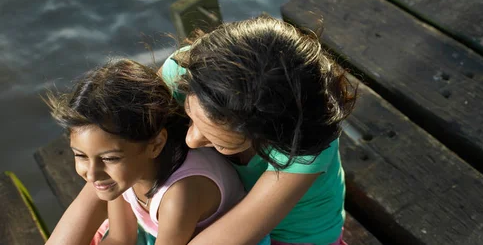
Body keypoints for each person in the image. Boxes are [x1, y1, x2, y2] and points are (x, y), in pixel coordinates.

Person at [162, 16, 356, 245]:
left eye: (221, 143)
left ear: (268, 136)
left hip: (297, 236)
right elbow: (122, 142)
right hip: (223, 205)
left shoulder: (302, 143)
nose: (190, 140)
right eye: (189, 116)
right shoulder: (188, 70)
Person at [44, 59, 258, 245]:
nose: (91, 174)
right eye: (80, 155)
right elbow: (120, 238)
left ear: (155, 145)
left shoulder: (179, 195)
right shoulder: (122, 175)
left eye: (109, 158)